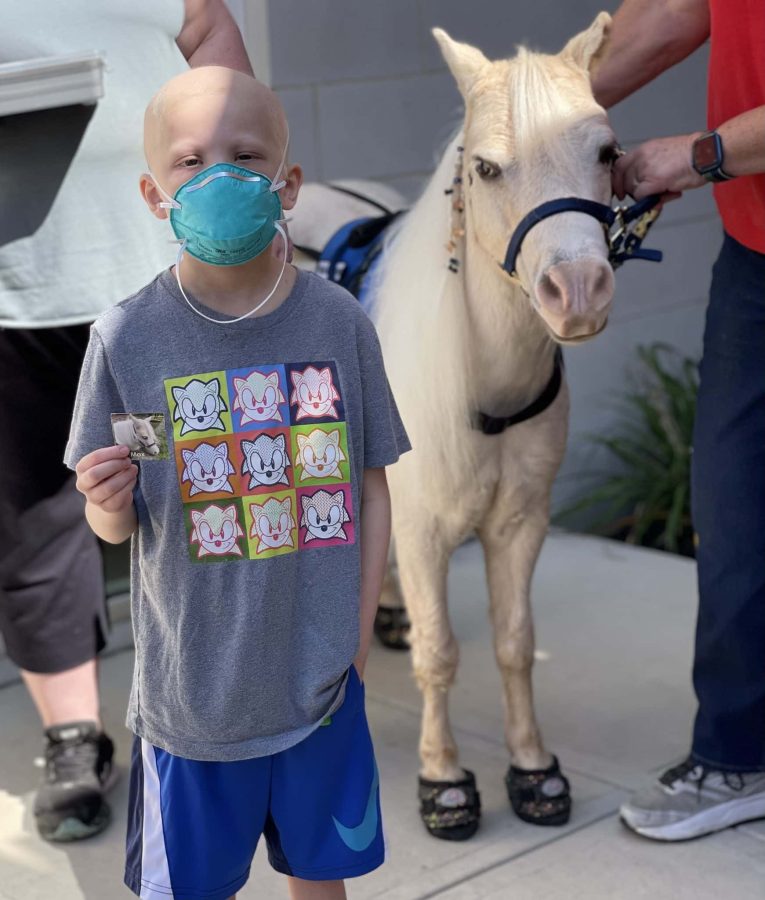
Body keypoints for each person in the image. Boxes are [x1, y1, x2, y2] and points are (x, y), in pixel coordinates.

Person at [66, 65, 410, 900]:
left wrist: (355, 646)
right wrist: (105, 504)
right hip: (192, 703)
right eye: (190, 160)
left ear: (287, 184)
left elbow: (368, 489)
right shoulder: (127, 338)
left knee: (321, 879)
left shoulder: (339, 323)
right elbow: (119, 524)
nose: (219, 174)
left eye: (246, 154)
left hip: (320, 688)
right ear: (155, 195)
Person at [0, 0, 254, 843]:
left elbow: (207, 29)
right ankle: (75, 739)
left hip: (162, 284)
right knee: (40, 520)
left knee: (193, 490)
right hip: (20, 296)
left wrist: (236, 179)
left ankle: (215, 697)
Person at [590, 0, 765, 840]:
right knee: (733, 508)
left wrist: (701, 154)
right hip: (756, 255)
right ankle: (735, 755)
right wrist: (536, 110)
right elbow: (670, 11)